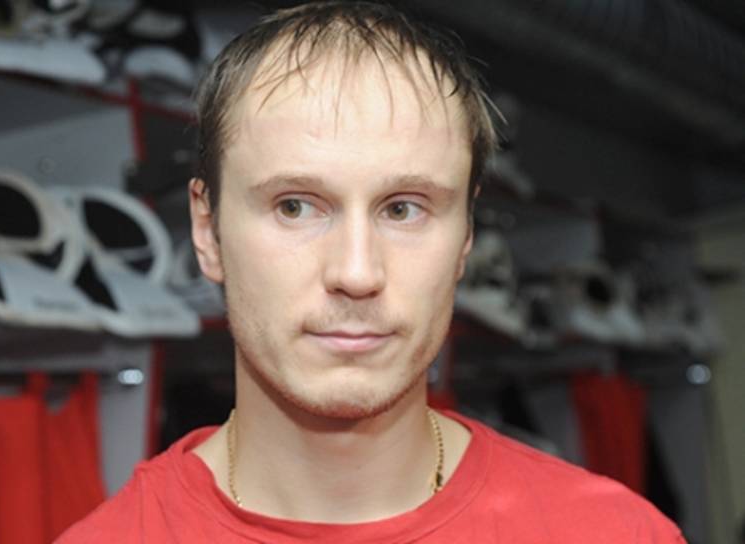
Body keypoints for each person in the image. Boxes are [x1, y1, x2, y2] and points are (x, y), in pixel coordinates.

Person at [58, 2, 686, 542]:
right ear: (207, 231)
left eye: (403, 209)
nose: (356, 273)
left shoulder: (618, 534)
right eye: (295, 206)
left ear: (466, 237)